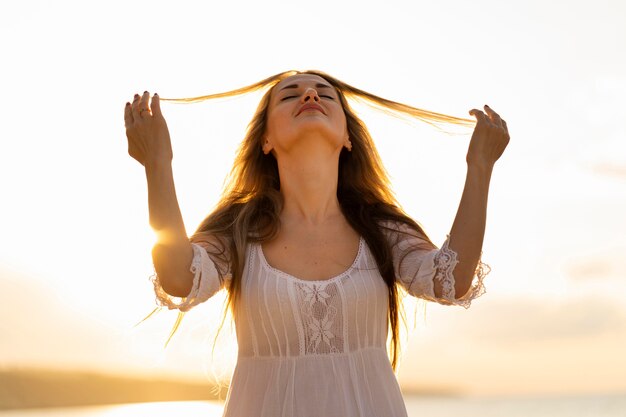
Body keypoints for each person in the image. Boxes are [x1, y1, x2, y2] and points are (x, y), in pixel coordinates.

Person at [123, 70, 509, 417]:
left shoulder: (381, 228)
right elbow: (177, 277)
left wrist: (480, 167)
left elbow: (451, 280)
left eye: (324, 93)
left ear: (347, 138)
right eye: (290, 95)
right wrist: (158, 164)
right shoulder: (237, 228)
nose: (310, 95)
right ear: (266, 140)